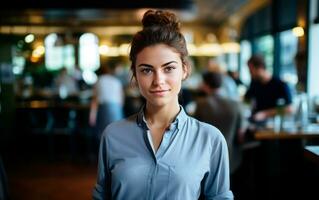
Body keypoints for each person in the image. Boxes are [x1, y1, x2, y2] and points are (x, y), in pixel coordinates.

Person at [92, 9, 233, 200]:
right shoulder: (113, 135)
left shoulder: (210, 139)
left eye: (168, 68)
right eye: (147, 70)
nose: (158, 80)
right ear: (135, 74)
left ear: (184, 70)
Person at [194, 71, 245, 175]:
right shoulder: (235, 104)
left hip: (206, 157)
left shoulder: (201, 104)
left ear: (205, 85)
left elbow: (195, 132)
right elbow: (240, 134)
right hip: (230, 158)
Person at [244, 54, 293, 125]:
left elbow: (289, 109)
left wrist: (265, 114)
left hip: (274, 125)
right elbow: (246, 102)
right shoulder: (255, 83)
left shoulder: (280, 85)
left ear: (260, 68)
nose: (250, 74)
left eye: (251, 71)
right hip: (256, 124)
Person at [89, 62, 124, 151]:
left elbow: (95, 101)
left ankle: (103, 156)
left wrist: (92, 116)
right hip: (117, 110)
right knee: (116, 135)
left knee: (101, 134)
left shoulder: (98, 81)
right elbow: (121, 101)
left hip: (104, 109)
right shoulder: (116, 81)